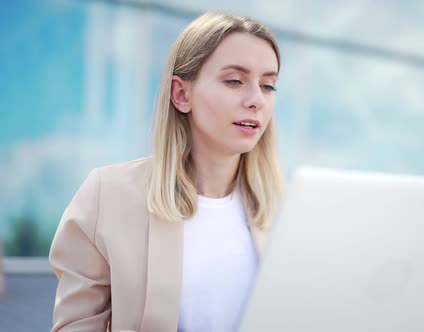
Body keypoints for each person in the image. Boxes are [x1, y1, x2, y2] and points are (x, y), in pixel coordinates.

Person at [49, 11, 283, 332]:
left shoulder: (287, 210)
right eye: (234, 80)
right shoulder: (108, 194)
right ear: (181, 94)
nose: (257, 99)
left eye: (268, 85)